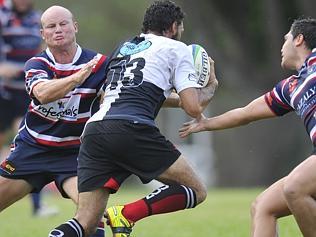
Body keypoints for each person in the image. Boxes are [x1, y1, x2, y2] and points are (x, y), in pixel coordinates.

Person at [49, 1, 218, 237]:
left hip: (95, 131)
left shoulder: (125, 47)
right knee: (196, 190)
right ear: (172, 27)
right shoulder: (177, 48)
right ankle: (127, 214)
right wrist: (210, 86)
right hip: (131, 127)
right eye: (180, 28)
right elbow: (192, 107)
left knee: (85, 222)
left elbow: (121, 93)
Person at [179, 17, 316, 237]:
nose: (282, 46)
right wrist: (205, 124)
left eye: (286, 39)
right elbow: (246, 113)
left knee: (294, 187)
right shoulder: (291, 87)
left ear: (299, 39)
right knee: (263, 207)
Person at [0, 5, 108, 237]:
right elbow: (43, 93)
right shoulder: (37, 64)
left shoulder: (99, 64)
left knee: (93, 214)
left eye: (63, 24)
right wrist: (77, 77)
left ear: (75, 26)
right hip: (32, 150)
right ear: (43, 34)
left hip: (74, 154)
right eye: (51, 26)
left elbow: (126, 92)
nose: (58, 30)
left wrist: (179, 99)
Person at [0, 0, 58, 217]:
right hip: (2, 92)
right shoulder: (3, 15)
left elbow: (43, 48)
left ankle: (37, 206)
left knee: (29, 143)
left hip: (25, 92)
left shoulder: (37, 19)